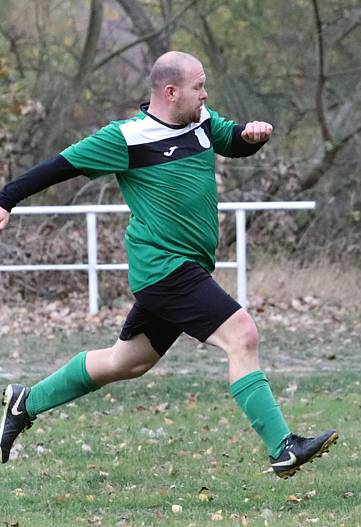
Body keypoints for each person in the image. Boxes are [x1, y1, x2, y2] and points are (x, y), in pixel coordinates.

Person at [0, 51, 337, 477]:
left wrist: (251, 138)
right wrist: (6, 198)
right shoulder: (126, 137)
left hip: (184, 269)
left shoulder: (200, 120)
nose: (205, 94)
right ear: (171, 91)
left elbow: (229, 140)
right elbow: (59, 167)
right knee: (242, 335)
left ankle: (25, 402)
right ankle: (282, 447)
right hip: (164, 268)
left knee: (128, 362)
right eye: (199, 86)